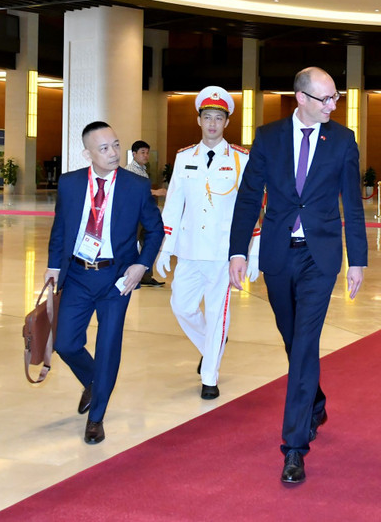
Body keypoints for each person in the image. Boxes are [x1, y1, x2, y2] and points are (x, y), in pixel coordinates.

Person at [228, 67, 368, 484]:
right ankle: (315, 399)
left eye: (335, 98)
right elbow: (249, 195)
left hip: (320, 256)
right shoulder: (268, 137)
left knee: (306, 342)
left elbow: (352, 203)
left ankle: (294, 447)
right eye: (326, 98)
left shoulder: (342, 140)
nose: (334, 105)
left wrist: (357, 259)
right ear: (301, 98)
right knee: (292, 339)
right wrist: (237, 250)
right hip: (277, 253)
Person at [44, 121, 164, 444]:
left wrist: (141, 265)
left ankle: (96, 417)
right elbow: (61, 230)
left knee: (108, 347)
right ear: (88, 154)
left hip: (117, 278)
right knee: (65, 342)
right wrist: (53, 267)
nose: (113, 153)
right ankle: (93, 382)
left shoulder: (135, 187)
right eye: (104, 148)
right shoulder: (69, 185)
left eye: (115, 145)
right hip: (79, 275)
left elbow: (155, 230)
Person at [155, 86, 260, 400]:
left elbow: (251, 207)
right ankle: (212, 344)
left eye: (218, 118)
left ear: (226, 122)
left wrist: (254, 250)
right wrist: (165, 245)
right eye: (207, 117)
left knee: (217, 314)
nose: (212, 123)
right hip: (189, 250)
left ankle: (210, 376)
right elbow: (173, 203)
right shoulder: (185, 157)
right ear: (199, 120)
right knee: (181, 306)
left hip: (223, 253)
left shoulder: (242, 159)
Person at [126, 140, 166, 287]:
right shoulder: (130, 170)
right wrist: (157, 192)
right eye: (142, 152)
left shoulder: (142, 170)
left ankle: (146, 276)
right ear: (134, 154)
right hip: (134, 215)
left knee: (147, 243)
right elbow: (135, 192)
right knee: (131, 242)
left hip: (144, 214)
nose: (146, 155)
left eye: (147, 152)